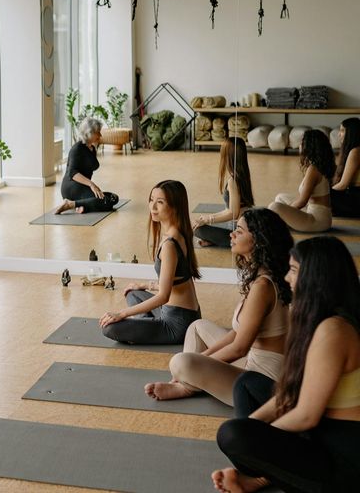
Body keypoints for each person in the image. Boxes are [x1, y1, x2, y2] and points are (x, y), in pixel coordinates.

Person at [212, 236, 360, 493]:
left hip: (344, 458)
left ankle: (263, 476)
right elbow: (288, 395)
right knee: (249, 384)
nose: (288, 278)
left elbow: (306, 414)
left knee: (232, 435)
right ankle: (264, 474)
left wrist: (258, 438)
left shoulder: (334, 330)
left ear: (316, 277)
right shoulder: (322, 321)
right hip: (321, 432)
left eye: (293, 270)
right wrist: (255, 431)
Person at [144, 209, 292, 406]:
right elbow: (236, 334)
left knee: (180, 362)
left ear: (258, 240)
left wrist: (195, 363)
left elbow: (239, 348)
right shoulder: (261, 277)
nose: (231, 234)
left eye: (239, 231)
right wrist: (201, 358)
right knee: (197, 327)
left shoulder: (263, 287)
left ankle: (186, 385)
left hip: (262, 383)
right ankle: (190, 381)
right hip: (251, 361)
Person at [99, 180, 201, 345]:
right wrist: (144, 286)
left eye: (160, 202)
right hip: (183, 313)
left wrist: (121, 314)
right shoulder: (177, 232)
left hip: (177, 324)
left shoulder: (170, 245)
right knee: (132, 293)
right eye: (151, 199)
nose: (152, 207)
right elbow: (172, 283)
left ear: (175, 206)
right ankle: (145, 323)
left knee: (109, 328)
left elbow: (164, 296)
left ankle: (145, 324)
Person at [268, 129, 335, 232]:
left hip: (317, 220)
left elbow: (302, 202)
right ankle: (281, 222)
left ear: (309, 147)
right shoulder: (319, 166)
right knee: (280, 197)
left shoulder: (313, 169)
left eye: (301, 143)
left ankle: (274, 224)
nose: (299, 146)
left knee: (274, 207)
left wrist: (287, 210)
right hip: (319, 214)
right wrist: (287, 210)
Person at [193, 137, 254, 248]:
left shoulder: (233, 181)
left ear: (228, 157)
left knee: (197, 229)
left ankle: (229, 242)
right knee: (202, 223)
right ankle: (216, 240)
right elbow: (229, 210)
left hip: (238, 231)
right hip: (244, 226)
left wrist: (208, 219)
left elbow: (233, 213)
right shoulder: (243, 175)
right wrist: (208, 218)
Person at [54, 117, 119, 215]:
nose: (100, 135)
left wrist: (96, 146)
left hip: (83, 186)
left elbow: (94, 165)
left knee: (114, 198)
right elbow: (72, 173)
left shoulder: (91, 148)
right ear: (89, 133)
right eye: (98, 132)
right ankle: (69, 204)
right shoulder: (77, 149)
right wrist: (92, 184)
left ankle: (81, 205)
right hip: (72, 187)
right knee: (106, 202)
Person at [331, 117, 360, 218]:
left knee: (323, 194)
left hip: (357, 199)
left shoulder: (356, 152)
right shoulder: (353, 150)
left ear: (351, 133)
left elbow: (343, 184)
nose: (339, 134)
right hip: (353, 195)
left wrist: (326, 194)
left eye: (342, 130)